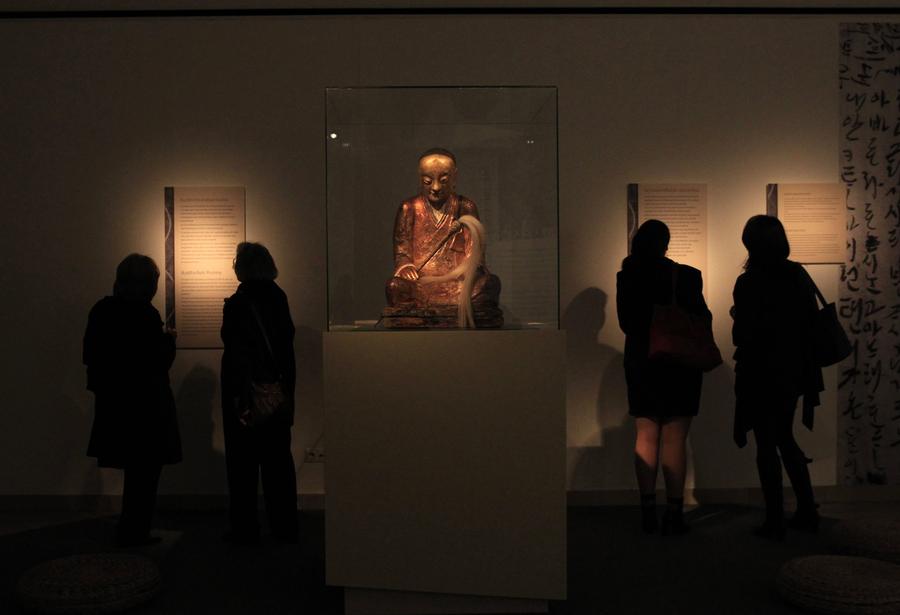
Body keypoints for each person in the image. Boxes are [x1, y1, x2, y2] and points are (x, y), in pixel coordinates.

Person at [616, 220, 711, 535]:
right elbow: (701, 319)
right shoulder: (687, 276)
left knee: (645, 435)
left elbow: (627, 324)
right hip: (680, 363)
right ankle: (673, 513)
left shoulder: (627, 276)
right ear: (666, 244)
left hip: (642, 361)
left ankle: (647, 512)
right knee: (675, 438)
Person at [732, 215, 823, 540]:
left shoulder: (749, 281)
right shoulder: (796, 274)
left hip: (761, 372)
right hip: (793, 371)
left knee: (767, 444)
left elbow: (742, 334)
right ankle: (807, 510)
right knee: (785, 436)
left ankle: (775, 519)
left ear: (750, 244)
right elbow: (809, 323)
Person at [83, 254, 181, 547]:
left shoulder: (101, 310)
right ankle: (135, 532)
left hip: (116, 405)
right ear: (148, 284)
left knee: (135, 471)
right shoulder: (145, 315)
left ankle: (130, 529)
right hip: (146, 408)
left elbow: (89, 355)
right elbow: (158, 361)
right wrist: (169, 340)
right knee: (145, 475)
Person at [221, 242, 298, 544]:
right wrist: (288, 392)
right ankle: (284, 526)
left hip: (246, 393)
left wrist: (239, 395)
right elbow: (286, 350)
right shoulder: (278, 297)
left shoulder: (239, 303)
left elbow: (236, 350)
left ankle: (245, 528)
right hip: (275, 391)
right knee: (278, 462)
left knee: (242, 465)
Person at [383, 148, 501, 327]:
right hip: (420, 285)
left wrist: (467, 270)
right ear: (420, 179)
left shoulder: (465, 206)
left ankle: (435, 313)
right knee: (394, 287)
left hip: (459, 285)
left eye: (443, 181)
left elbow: (474, 253)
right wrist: (405, 266)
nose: (436, 187)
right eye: (428, 181)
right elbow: (402, 249)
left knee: (489, 284)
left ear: (454, 178)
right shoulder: (409, 208)